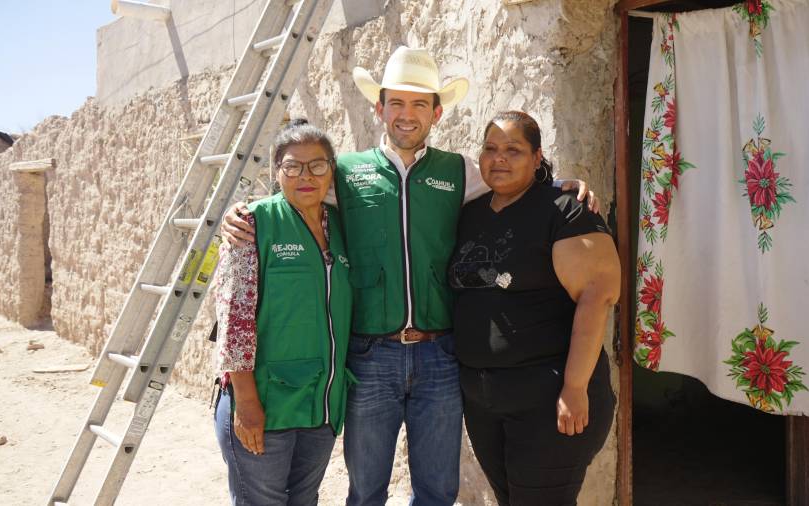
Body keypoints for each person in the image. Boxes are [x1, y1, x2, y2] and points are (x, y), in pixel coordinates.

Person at [221, 47, 599, 506]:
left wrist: (562, 183)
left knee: (438, 490)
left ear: (437, 113)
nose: (407, 114)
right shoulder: (344, 173)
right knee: (366, 491)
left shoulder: (458, 171)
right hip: (369, 357)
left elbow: (512, 179)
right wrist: (243, 213)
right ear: (379, 108)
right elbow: (299, 191)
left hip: (440, 357)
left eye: (420, 103)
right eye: (396, 103)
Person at [449, 111, 619, 506]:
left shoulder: (565, 210)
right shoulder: (469, 213)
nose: (499, 158)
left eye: (514, 149)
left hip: (550, 400)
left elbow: (598, 296)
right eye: (490, 149)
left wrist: (574, 387)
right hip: (483, 402)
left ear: (537, 157)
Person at [213, 121, 355, 506]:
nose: (305, 176)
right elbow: (234, 321)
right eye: (293, 166)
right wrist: (246, 404)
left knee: (305, 500)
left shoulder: (342, 228)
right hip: (265, 406)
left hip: (321, 407)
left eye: (318, 166)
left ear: (332, 171)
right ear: (277, 172)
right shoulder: (254, 224)